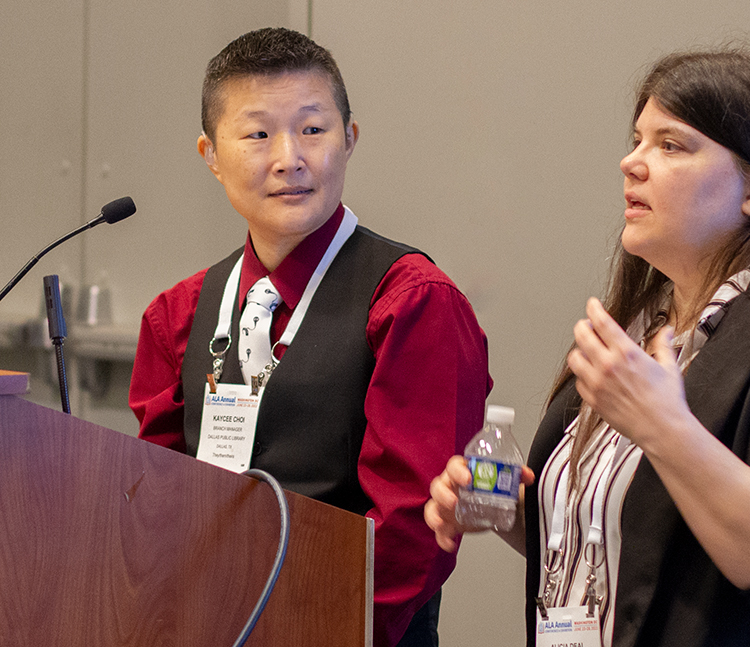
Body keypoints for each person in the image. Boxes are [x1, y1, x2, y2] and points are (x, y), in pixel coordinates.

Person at [425, 47, 750, 647]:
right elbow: (647, 547)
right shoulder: (642, 329)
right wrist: (515, 507)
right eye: (637, 140)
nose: (631, 163)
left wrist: (665, 428)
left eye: (671, 145)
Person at [129, 27, 491, 647]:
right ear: (211, 155)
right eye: (257, 134)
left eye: (313, 129)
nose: (288, 158)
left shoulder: (411, 302)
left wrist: (315, 626)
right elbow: (158, 502)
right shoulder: (179, 313)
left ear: (350, 139)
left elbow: (412, 527)